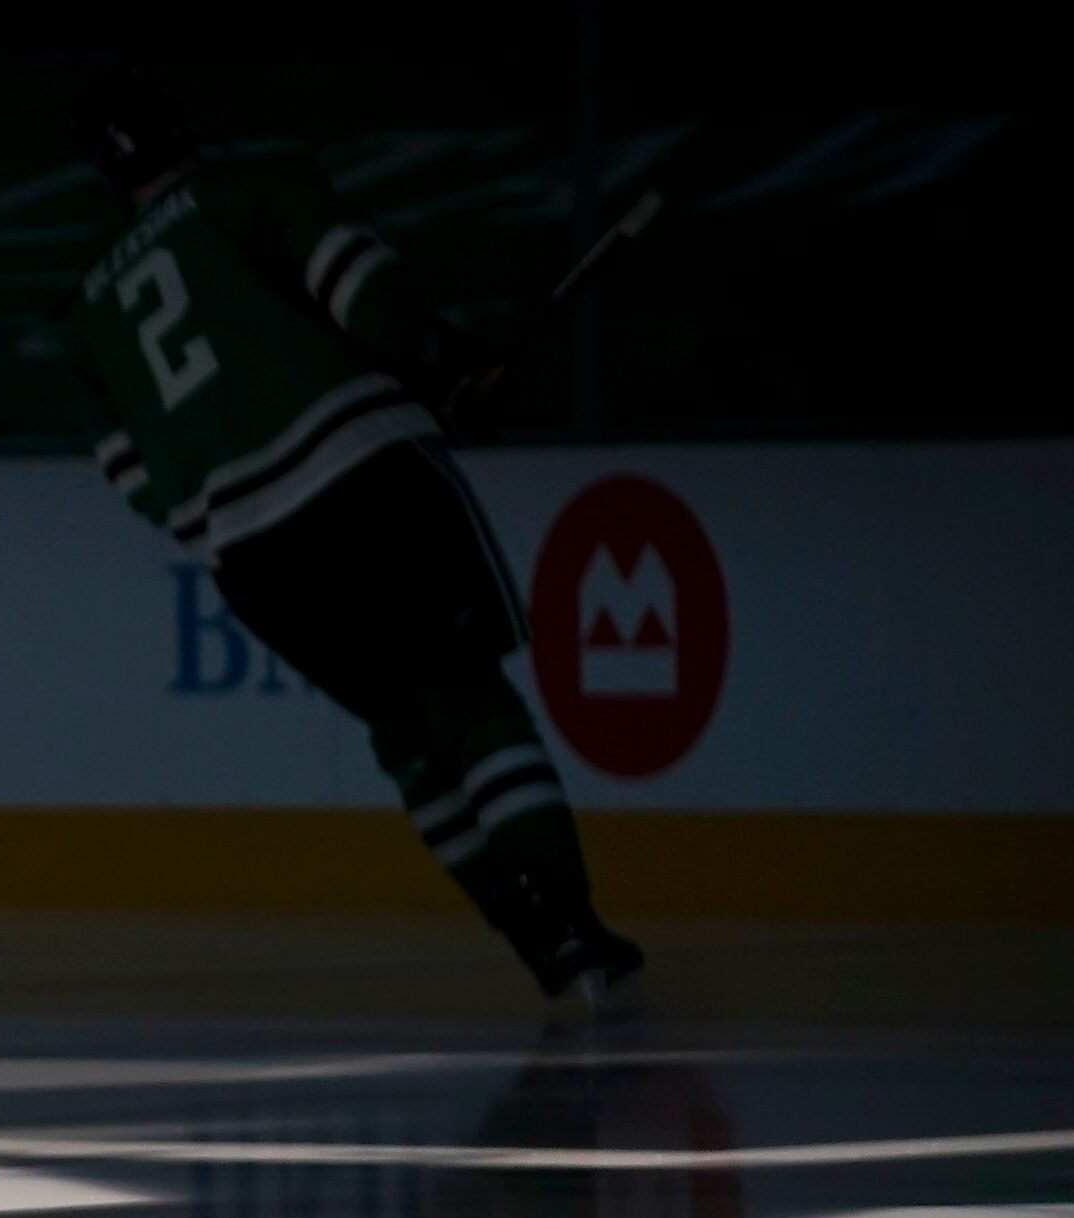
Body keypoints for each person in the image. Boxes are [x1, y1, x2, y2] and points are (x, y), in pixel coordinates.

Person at [68, 76, 644, 1007]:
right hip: (363, 477)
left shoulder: (88, 313)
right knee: (465, 696)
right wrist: (448, 364)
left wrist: (217, 509)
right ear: (185, 128)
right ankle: (574, 927)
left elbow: (130, 474)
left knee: (406, 734)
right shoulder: (251, 190)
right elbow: (364, 289)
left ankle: (534, 939)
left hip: (252, 556)